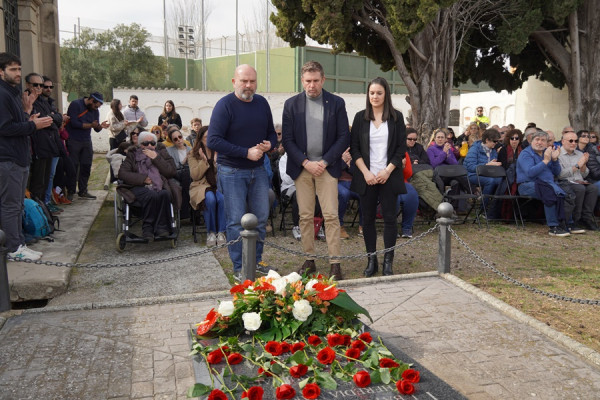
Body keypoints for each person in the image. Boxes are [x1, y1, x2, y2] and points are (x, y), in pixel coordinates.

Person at [207, 64, 278, 281]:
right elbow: (213, 140)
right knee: (237, 221)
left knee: (261, 218)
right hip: (232, 171)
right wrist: (245, 152)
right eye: (244, 81)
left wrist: (269, 145)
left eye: (252, 81)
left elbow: (272, 135)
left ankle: (255, 262)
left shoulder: (262, 103)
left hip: (258, 171)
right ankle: (240, 267)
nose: (248, 85)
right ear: (234, 82)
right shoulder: (224, 106)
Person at [282, 60, 349, 280]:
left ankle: (335, 263)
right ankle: (309, 260)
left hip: (327, 168)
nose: (312, 85)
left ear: (323, 80)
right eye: (308, 81)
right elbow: (288, 140)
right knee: (305, 216)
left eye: (316, 81)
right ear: (302, 80)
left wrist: (326, 161)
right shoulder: (291, 104)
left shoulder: (336, 103)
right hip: (302, 168)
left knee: (330, 216)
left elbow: (343, 137)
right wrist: (305, 162)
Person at [350, 77, 406, 277]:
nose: (375, 96)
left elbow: (401, 149)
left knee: (390, 219)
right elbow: (354, 148)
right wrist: (366, 172)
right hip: (367, 177)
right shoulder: (359, 118)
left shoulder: (397, 117)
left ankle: (388, 262)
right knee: (368, 220)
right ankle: (371, 260)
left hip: (388, 176)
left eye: (379, 93)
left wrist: (387, 170)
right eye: (371, 93)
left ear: (386, 94)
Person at [0, 52, 52, 260]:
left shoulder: (11, 93)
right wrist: (32, 125)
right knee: (10, 205)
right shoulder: (2, 94)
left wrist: (26, 113)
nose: (18, 73)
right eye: (13, 69)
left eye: (19, 69)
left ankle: (18, 242)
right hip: (8, 159)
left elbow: (14, 123)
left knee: (17, 205)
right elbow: (4, 128)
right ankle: (13, 248)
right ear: (1, 71)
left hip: (19, 158)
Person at [117, 131, 177, 240]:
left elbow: (171, 172)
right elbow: (122, 173)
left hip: (159, 185)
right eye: (146, 143)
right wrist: (143, 179)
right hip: (137, 186)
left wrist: (156, 158)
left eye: (152, 143)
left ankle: (161, 228)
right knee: (152, 195)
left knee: (164, 194)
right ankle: (148, 228)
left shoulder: (162, 153)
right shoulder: (133, 155)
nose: (149, 145)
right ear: (140, 144)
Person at [517, 130, 570, 237]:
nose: (540, 142)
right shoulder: (526, 154)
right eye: (537, 140)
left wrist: (554, 160)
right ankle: (553, 227)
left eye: (543, 140)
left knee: (564, 193)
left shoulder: (547, 152)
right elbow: (530, 173)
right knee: (549, 192)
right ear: (531, 141)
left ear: (547, 143)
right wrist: (545, 161)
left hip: (548, 184)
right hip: (527, 185)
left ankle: (566, 224)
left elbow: (557, 172)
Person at [26, 73, 61, 211]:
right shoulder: (27, 100)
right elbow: (45, 121)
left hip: (49, 146)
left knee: (46, 181)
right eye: (36, 85)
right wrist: (52, 119)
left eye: (42, 85)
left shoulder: (44, 101)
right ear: (28, 85)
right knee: (37, 183)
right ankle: (37, 212)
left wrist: (52, 119)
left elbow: (56, 119)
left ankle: (43, 211)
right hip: (36, 147)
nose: (39, 88)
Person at [66, 91, 109, 200]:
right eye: (95, 105)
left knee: (86, 166)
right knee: (73, 166)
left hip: (86, 140)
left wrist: (101, 126)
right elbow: (74, 123)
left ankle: (83, 190)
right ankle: (70, 190)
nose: (96, 108)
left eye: (98, 107)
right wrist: (91, 125)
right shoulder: (76, 104)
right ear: (91, 100)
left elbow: (96, 128)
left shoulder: (95, 110)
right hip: (73, 140)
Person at [189, 126, 226, 247]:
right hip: (201, 185)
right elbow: (195, 175)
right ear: (200, 139)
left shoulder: (219, 151)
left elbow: (223, 172)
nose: (208, 139)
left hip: (218, 183)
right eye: (206, 137)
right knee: (210, 199)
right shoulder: (193, 154)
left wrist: (215, 162)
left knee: (221, 199)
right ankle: (211, 232)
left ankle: (221, 232)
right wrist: (204, 161)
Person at [557, 130, 598, 231]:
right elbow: (560, 175)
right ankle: (575, 220)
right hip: (565, 182)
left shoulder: (579, 154)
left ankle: (586, 218)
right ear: (563, 141)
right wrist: (577, 166)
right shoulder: (558, 154)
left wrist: (583, 165)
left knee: (593, 188)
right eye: (570, 141)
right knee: (580, 189)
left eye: (575, 141)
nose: (573, 143)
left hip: (579, 181)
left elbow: (584, 174)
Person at [40, 76, 68, 207]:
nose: (48, 89)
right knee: (43, 177)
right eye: (45, 86)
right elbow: (51, 121)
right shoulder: (36, 103)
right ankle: (44, 203)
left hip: (55, 144)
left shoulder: (50, 102)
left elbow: (56, 120)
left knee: (51, 175)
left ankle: (48, 201)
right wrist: (55, 118)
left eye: (51, 87)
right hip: (42, 145)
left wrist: (54, 118)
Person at [464, 129, 503, 217]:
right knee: (490, 181)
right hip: (472, 175)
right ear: (487, 140)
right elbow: (470, 167)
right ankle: (483, 209)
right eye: (494, 141)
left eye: (497, 141)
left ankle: (494, 207)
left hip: (487, 175)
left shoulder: (493, 150)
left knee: (501, 180)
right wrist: (487, 165)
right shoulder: (474, 149)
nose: (496, 143)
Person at [166, 127, 192, 219]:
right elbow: (171, 166)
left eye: (180, 137)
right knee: (186, 175)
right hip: (176, 175)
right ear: (172, 141)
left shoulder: (190, 149)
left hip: (189, 175)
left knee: (187, 176)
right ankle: (189, 212)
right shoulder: (169, 150)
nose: (179, 140)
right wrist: (184, 161)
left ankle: (185, 211)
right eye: (175, 139)